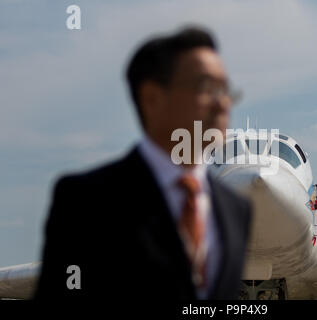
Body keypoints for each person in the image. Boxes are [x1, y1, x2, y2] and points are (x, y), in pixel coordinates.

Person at [34, 26, 252, 301]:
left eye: (225, 89)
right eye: (207, 87)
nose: (223, 104)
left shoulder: (235, 211)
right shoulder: (85, 201)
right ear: (152, 99)